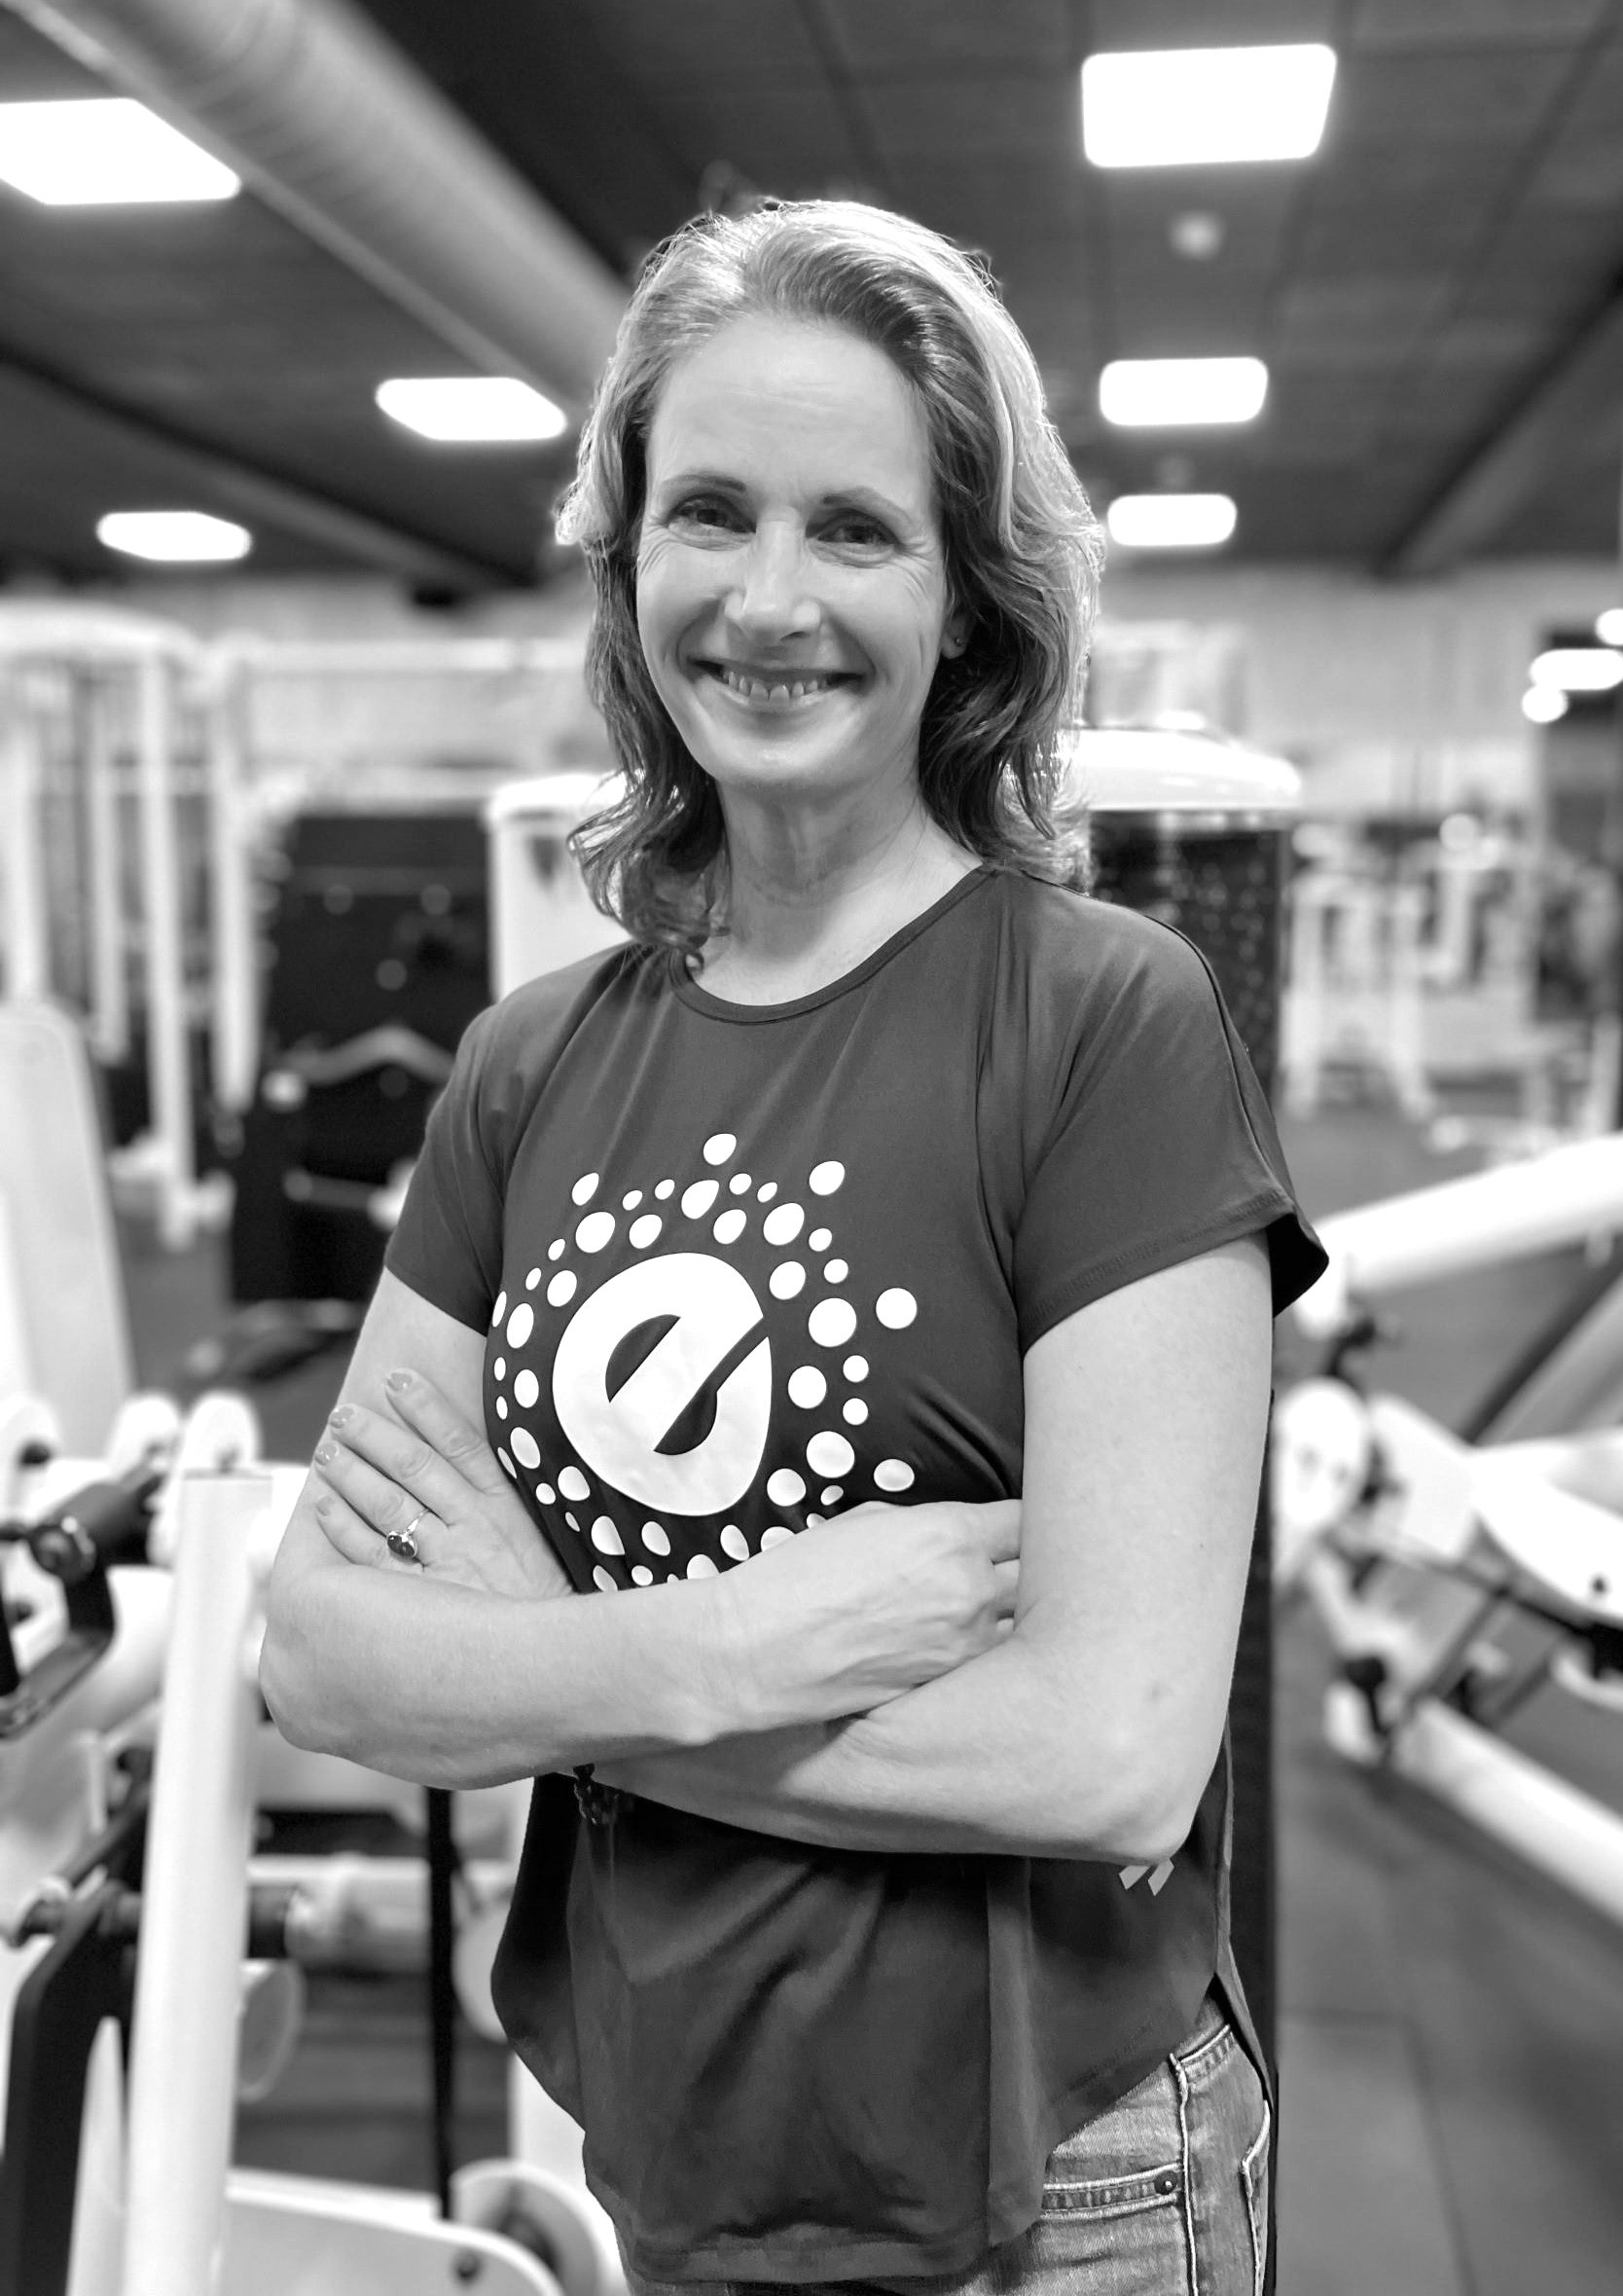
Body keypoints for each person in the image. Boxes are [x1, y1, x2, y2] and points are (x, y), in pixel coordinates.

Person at [262, 199, 1326, 2294]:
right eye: (709, 514)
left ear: (967, 598)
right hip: (669, 2143)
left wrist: (534, 1657)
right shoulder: (529, 1067)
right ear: (625, 561)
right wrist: (721, 1645)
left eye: (853, 529)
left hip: (1056, 2187)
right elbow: (318, 1654)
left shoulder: (1097, 1023)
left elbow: (1110, 1751)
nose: (768, 601)